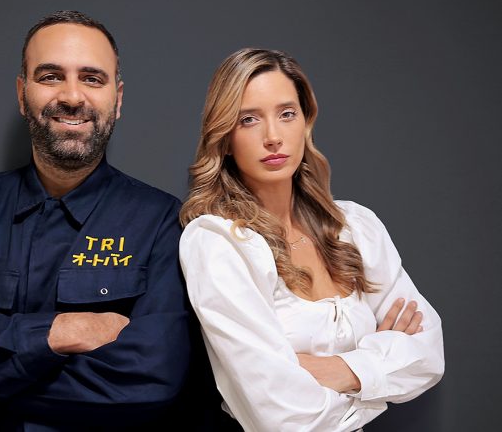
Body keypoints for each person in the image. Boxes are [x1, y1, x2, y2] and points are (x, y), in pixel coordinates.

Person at [0, 10, 224, 431]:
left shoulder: (163, 223)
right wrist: (64, 330)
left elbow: (152, 379)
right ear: (22, 94)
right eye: (51, 76)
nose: (72, 96)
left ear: (117, 99)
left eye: (92, 78)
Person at [179, 48, 444, 431]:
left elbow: (429, 356)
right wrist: (376, 377)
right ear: (224, 137)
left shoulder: (354, 226)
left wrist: (335, 370)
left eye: (287, 114)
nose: (273, 137)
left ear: (305, 121)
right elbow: (282, 417)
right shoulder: (218, 242)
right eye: (249, 119)